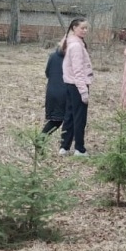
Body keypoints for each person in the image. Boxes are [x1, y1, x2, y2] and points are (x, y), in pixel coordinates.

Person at [59, 18, 94, 157]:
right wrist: (83, 91)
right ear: (74, 28)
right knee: (79, 118)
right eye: (82, 28)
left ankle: (64, 146)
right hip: (77, 85)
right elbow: (78, 71)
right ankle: (79, 148)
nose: (85, 31)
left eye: (86, 28)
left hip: (70, 84)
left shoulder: (72, 43)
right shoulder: (76, 46)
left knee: (70, 115)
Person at [42, 45, 67, 135]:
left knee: (56, 120)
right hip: (64, 94)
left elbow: (47, 73)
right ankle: (40, 140)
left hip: (51, 91)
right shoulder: (71, 59)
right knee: (63, 121)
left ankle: (41, 140)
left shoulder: (53, 56)